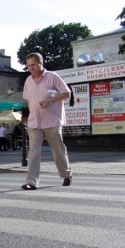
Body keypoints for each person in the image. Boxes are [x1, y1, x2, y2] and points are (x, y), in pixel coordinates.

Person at [21, 52, 72, 190]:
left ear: (41, 63)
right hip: (34, 122)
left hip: (52, 121)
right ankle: (31, 182)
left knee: (58, 150)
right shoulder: (28, 81)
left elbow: (67, 93)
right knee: (34, 152)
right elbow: (28, 100)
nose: (31, 68)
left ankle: (66, 174)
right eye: (28, 66)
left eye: (33, 65)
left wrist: (50, 101)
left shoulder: (52, 77)